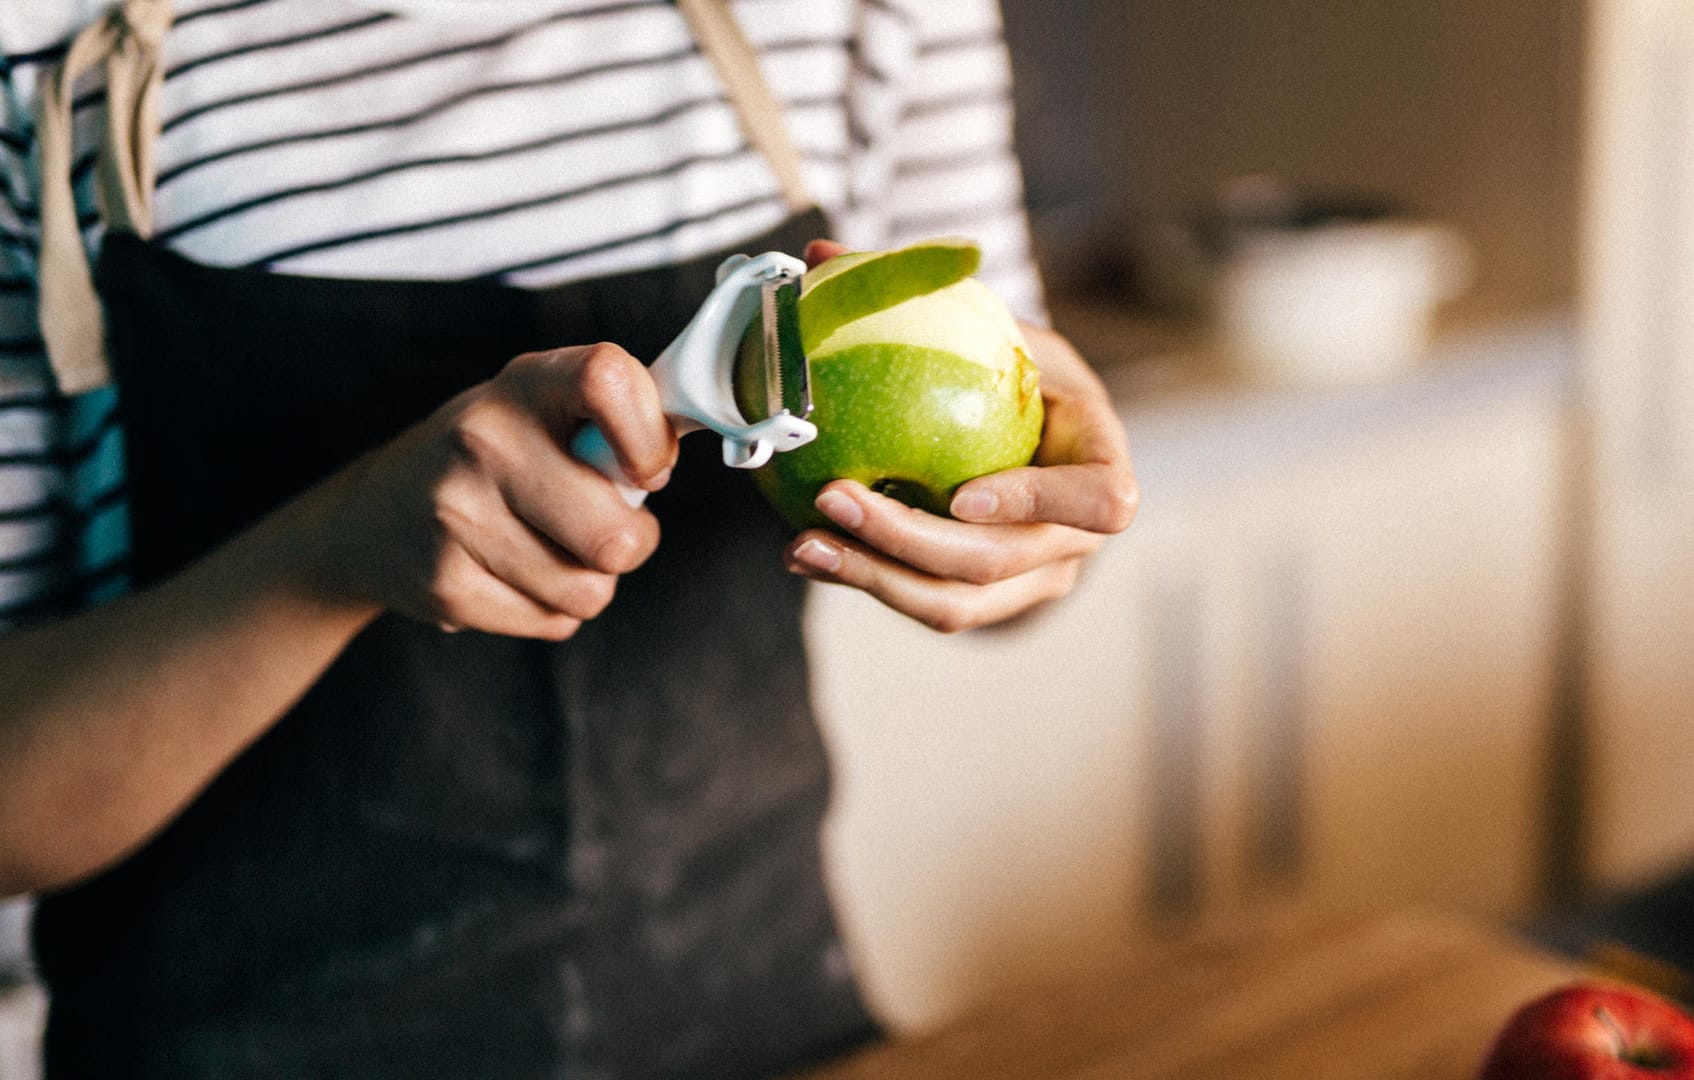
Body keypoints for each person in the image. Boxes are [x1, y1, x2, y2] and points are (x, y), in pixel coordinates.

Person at [0, 1, 1137, 1077]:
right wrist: (330, 554)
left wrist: (1021, 536)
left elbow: (1016, 516)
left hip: (766, 1011)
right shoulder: (50, 43)